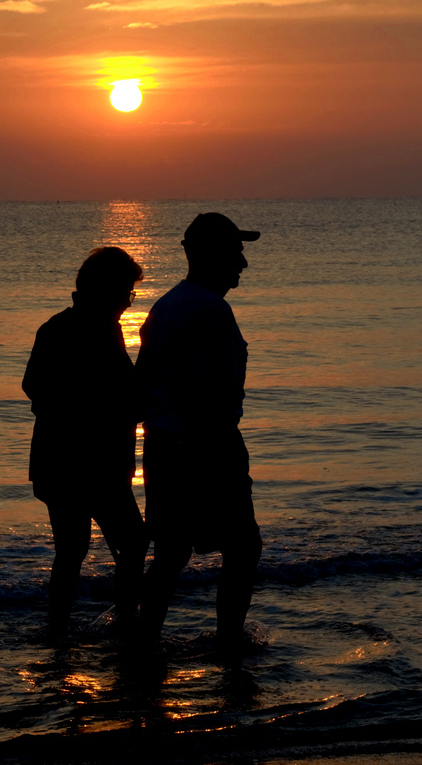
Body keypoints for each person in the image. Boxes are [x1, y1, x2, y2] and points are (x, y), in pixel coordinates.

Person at [136, 212, 264, 649]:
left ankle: (145, 637)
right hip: (205, 445)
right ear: (210, 255)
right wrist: (220, 449)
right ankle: (229, 640)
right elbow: (214, 393)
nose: (243, 264)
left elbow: (143, 385)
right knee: (243, 548)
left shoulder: (165, 306)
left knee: (170, 552)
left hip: (163, 445)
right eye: (235, 252)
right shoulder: (212, 310)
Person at [22, 245, 148, 636]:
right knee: (131, 542)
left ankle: (60, 632)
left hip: (61, 465)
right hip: (89, 467)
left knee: (72, 552)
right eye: (126, 293)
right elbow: (121, 394)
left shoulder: (60, 326)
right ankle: (125, 624)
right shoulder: (96, 328)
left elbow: (34, 387)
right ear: (106, 289)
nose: (128, 304)